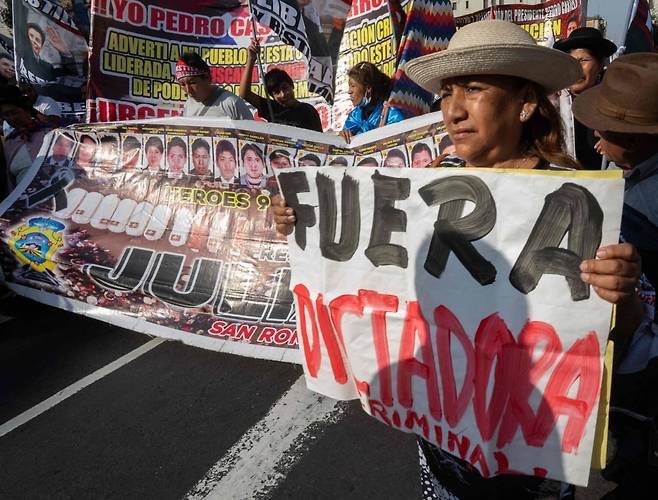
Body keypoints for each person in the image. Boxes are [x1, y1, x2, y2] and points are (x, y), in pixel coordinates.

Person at [273, 20, 644, 500]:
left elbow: (625, 333)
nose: (454, 109)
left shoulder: (576, 200)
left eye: (473, 88)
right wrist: (303, 220)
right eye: (448, 93)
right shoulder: (430, 181)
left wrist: (623, 292)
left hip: (531, 460)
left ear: (526, 103)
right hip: (443, 446)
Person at [572, 53, 658, 499]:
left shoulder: (635, 208)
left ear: (642, 140)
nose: (599, 145)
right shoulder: (632, 186)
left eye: (609, 136)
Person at [553, 27, 617, 169]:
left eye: (583, 60)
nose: (576, 68)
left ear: (600, 65)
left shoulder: (613, 102)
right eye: (571, 61)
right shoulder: (555, 101)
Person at [240, 41, 323, 132]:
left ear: (291, 86)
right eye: (277, 92)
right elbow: (245, 94)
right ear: (272, 97)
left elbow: (320, 142)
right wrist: (251, 60)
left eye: (285, 88)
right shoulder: (271, 108)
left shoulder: (308, 111)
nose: (283, 94)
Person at [0, 86, 53, 188]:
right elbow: (10, 182)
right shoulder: (9, 144)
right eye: (6, 114)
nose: (11, 118)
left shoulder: (49, 133)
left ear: (27, 111)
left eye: (15, 112)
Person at [176, 53, 253, 120]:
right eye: (182, 85)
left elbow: (252, 134)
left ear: (207, 78)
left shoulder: (232, 103)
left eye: (192, 83)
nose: (188, 91)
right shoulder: (188, 104)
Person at [342, 62, 404, 141]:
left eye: (353, 86)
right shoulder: (354, 115)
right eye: (349, 86)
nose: (349, 91)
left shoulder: (390, 114)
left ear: (368, 88)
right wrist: (342, 136)